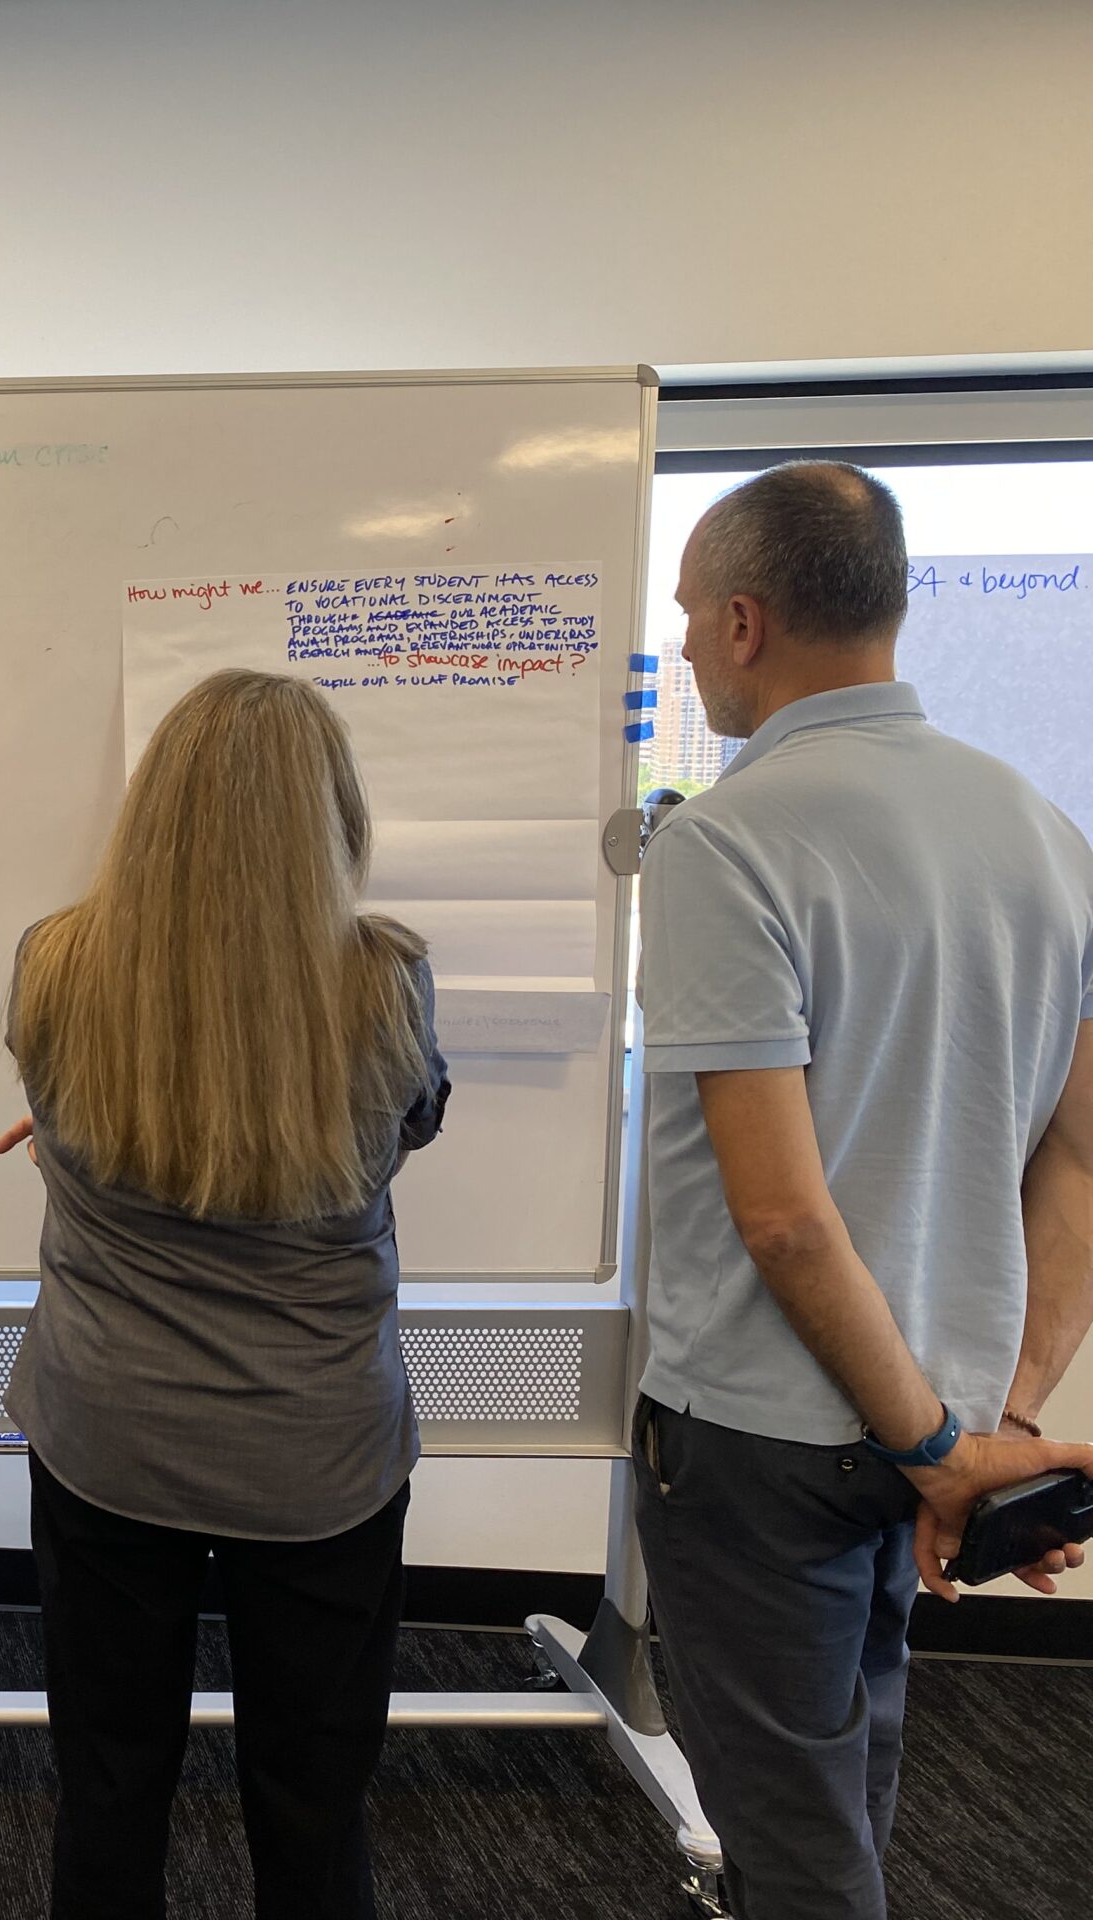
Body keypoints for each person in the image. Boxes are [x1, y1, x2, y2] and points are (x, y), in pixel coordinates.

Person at [635, 461, 1093, 1919]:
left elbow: (782, 1214)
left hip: (770, 1435)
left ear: (751, 622)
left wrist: (939, 1442)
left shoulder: (727, 838)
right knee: (850, 1779)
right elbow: (1079, 1156)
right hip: (929, 1420)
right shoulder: (1043, 831)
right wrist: (990, 1423)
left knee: (792, 1833)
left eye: (694, 613)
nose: (688, 641)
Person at [0, 668, 452, 1920]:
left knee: (108, 1789)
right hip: (318, 1456)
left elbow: (88, 1113)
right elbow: (398, 1131)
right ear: (332, 817)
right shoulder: (385, 984)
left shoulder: (53, 966)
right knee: (311, 1805)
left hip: (108, 1440)